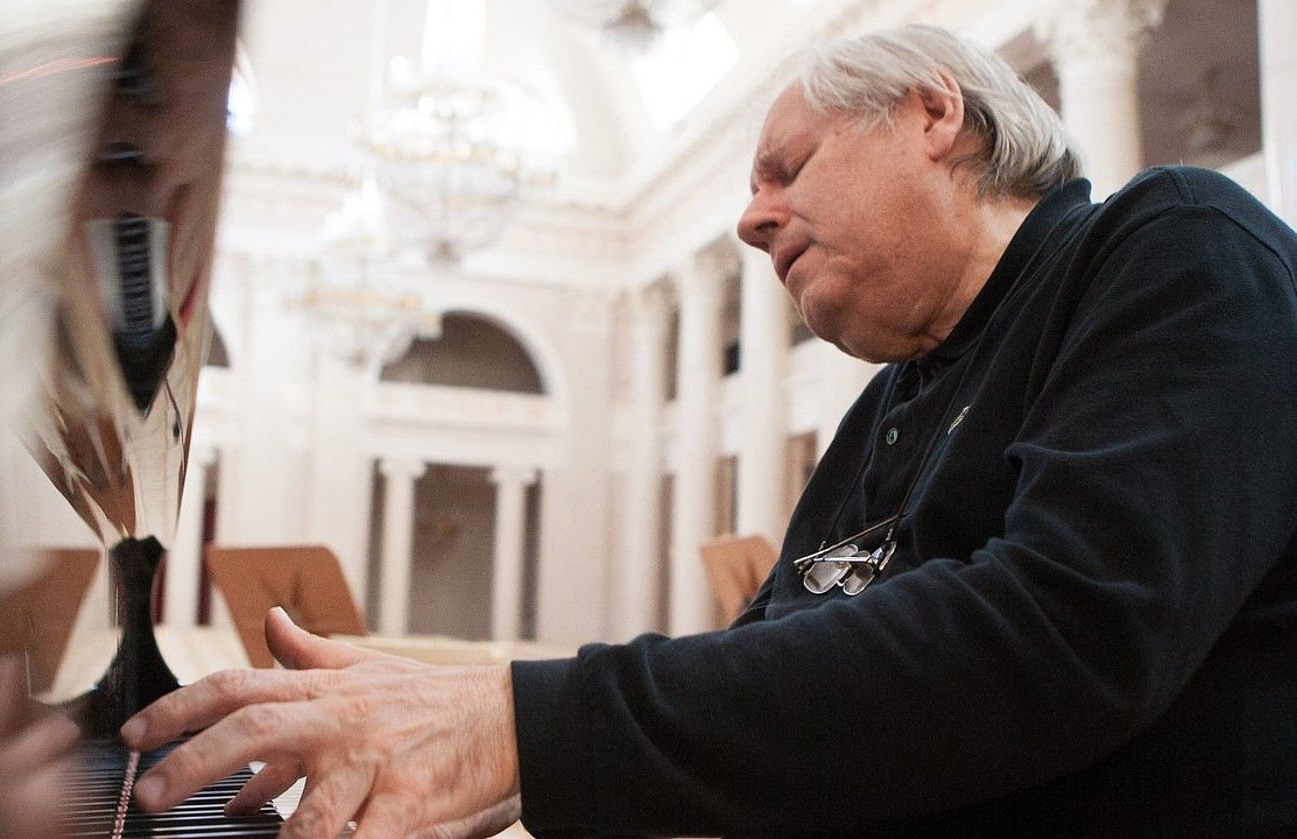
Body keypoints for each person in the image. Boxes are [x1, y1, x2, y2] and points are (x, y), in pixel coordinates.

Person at [121, 24, 1297, 838]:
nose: (747, 218)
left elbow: (1063, 635)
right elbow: (771, 671)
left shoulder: (1174, 242)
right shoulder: (891, 395)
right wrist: (487, 752)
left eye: (785, 167)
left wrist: (516, 724)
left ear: (935, 111)